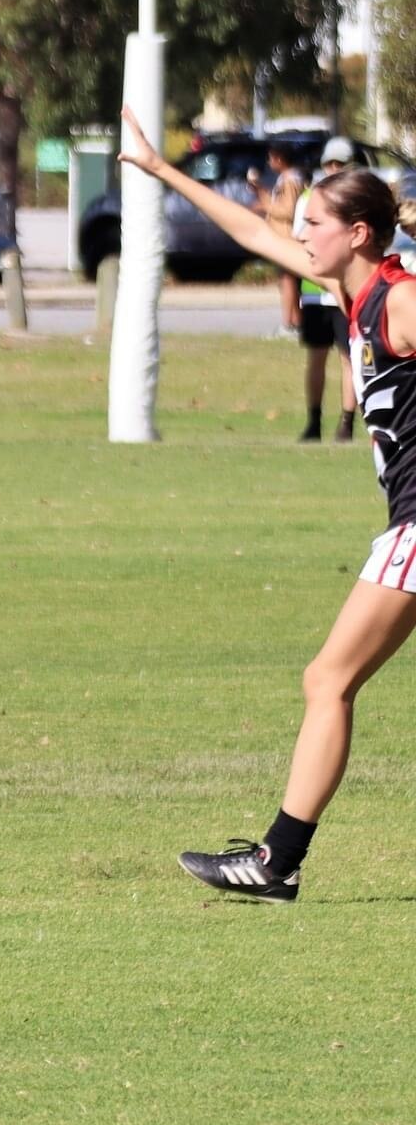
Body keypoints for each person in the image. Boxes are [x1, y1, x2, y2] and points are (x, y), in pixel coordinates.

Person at [119, 108, 411, 902]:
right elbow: (251, 233)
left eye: (314, 222)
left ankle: (276, 861)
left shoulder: (401, 301)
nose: (301, 230)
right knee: (330, 679)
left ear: (356, 234)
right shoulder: (351, 288)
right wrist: (157, 168)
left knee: (328, 678)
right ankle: (276, 860)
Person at [297, 138, 360, 443]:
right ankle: (314, 421)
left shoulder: (353, 199)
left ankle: (347, 423)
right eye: (329, 163)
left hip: (344, 292)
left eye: (340, 164)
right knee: (316, 356)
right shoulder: (310, 196)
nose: (334, 169)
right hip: (313, 291)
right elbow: (298, 240)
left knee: (349, 358)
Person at [253, 138, 307, 338]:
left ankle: (289, 324)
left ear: (280, 159)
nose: (269, 162)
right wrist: (262, 193)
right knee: (287, 281)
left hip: (287, 237)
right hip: (281, 236)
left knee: (288, 281)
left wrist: (266, 206)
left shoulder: (291, 180)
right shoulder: (285, 179)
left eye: (271, 158)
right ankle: (296, 323)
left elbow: (288, 210)